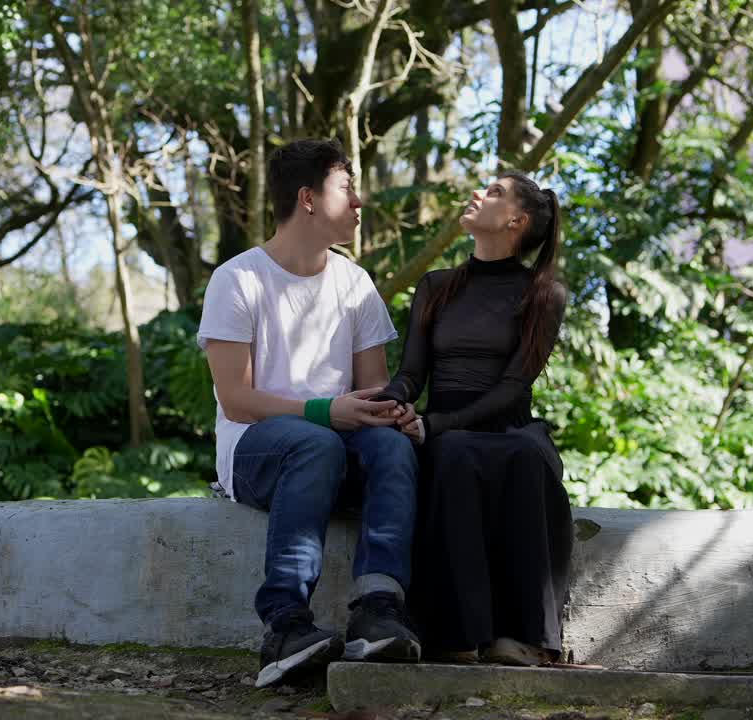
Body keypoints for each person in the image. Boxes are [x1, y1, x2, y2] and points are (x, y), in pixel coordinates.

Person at [197, 139, 422, 688]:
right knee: (313, 442)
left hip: (334, 448)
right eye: (347, 188)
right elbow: (236, 399)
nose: (360, 200)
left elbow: (372, 392)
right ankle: (284, 625)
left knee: (392, 445)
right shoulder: (238, 279)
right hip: (257, 452)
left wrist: (397, 414)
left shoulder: (354, 283)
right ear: (308, 199)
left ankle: (377, 611)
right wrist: (325, 411)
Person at [380, 171, 572, 666]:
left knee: (528, 455)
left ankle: (521, 636)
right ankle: (459, 635)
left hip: (504, 426)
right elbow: (411, 373)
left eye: (494, 192)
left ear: (516, 220)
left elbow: (513, 388)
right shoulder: (436, 286)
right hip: (444, 429)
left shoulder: (545, 294)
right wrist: (392, 402)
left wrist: (435, 425)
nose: (477, 194)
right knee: (455, 453)